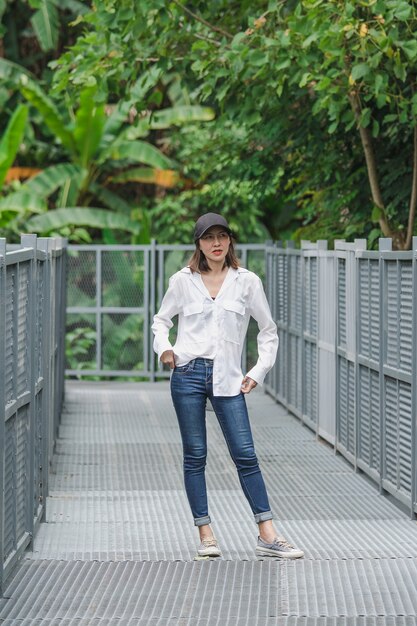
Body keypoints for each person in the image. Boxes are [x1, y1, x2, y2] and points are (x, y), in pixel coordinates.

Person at [152, 212, 304, 559]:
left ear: (230, 241)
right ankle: (206, 535)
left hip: (229, 378)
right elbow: (161, 321)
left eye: (222, 236)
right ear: (199, 244)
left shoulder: (246, 281)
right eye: (208, 238)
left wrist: (257, 371)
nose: (216, 243)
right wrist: (167, 350)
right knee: (195, 455)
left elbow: (268, 331)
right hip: (188, 373)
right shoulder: (182, 281)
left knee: (245, 454)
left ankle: (268, 535)